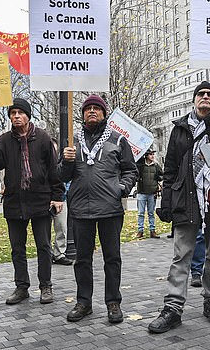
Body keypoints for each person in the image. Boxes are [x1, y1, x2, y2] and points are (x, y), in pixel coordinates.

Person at [148, 81, 210, 333]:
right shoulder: (180, 129)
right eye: (201, 94)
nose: (205, 97)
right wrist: (167, 202)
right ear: (194, 100)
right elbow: (170, 169)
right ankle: (172, 308)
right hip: (187, 202)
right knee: (181, 257)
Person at [59, 94, 138, 323]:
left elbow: (130, 170)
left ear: (104, 114)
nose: (91, 111)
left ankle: (113, 302)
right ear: (83, 114)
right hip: (81, 209)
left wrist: (122, 188)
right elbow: (61, 176)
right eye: (87, 109)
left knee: (112, 258)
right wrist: (66, 161)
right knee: (82, 259)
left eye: (97, 108)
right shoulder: (72, 142)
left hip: (110, 209)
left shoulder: (118, 139)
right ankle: (84, 302)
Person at [0, 98, 65, 306]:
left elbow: (52, 169)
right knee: (17, 248)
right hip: (14, 201)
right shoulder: (3, 140)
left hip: (40, 200)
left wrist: (57, 196)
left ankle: (45, 285)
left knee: (43, 246)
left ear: (28, 115)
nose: (16, 116)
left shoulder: (43, 138)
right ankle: (22, 287)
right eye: (13, 113)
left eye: (20, 112)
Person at [50, 138, 72, 266]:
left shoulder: (62, 162)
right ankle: (48, 253)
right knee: (44, 229)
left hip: (61, 199)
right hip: (46, 200)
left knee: (62, 227)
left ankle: (59, 254)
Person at [136, 149, 163, 239]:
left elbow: (162, 175)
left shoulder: (156, 166)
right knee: (140, 213)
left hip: (152, 193)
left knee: (151, 213)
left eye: (153, 154)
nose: (152, 156)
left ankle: (152, 231)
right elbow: (135, 175)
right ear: (146, 156)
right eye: (150, 154)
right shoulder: (140, 166)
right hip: (141, 192)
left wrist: (158, 177)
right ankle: (140, 231)